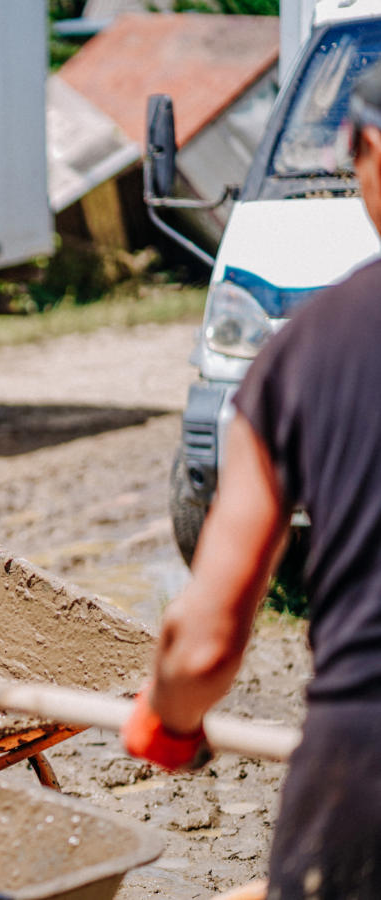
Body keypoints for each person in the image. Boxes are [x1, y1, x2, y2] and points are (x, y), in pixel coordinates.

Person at [121, 62, 381, 900]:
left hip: (361, 770)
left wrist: (169, 720)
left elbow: (204, 642)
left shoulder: (310, 350)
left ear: (364, 150)